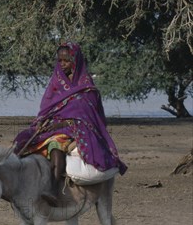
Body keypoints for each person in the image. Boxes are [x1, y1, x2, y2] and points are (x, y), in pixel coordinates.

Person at [13, 42, 127, 206]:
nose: (62, 64)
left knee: (55, 144)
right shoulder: (55, 81)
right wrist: (42, 122)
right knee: (23, 138)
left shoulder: (86, 87)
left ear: (75, 60)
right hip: (52, 124)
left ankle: (51, 188)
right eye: (59, 61)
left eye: (66, 60)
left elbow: (90, 116)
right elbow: (46, 108)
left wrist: (60, 126)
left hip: (76, 128)